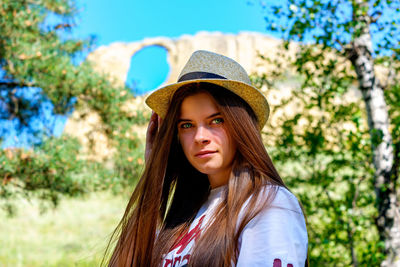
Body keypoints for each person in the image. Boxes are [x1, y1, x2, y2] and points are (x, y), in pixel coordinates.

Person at [106, 50, 308, 267]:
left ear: (242, 126)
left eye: (216, 120)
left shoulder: (268, 204)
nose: (200, 137)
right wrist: (154, 175)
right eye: (186, 125)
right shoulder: (182, 217)